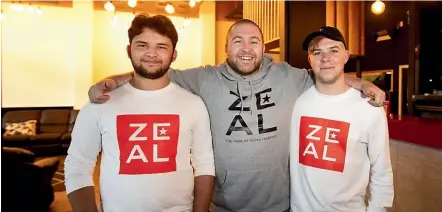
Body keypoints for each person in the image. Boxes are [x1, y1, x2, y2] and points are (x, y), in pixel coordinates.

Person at [88, 19, 386, 212]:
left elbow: (328, 74)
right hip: (224, 205)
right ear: (226, 47)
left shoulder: (288, 76)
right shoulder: (204, 79)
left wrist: (362, 84)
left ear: (263, 47)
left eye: (253, 41)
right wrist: (113, 82)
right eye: (238, 41)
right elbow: (155, 69)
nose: (246, 48)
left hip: (279, 205)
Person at [64, 14, 215, 212]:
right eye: (142, 45)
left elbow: (204, 163)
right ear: (129, 50)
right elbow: (78, 165)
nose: (151, 53)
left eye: (161, 46)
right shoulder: (100, 103)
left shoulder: (193, 104)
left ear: (174, 54)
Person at [289, 26, 394, 212]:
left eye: (334, 50)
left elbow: (382, 171)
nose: (325, 58)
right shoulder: (296, 101)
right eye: (317, 52)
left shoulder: (369, 108)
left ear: (346, 56)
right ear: (309, 60)